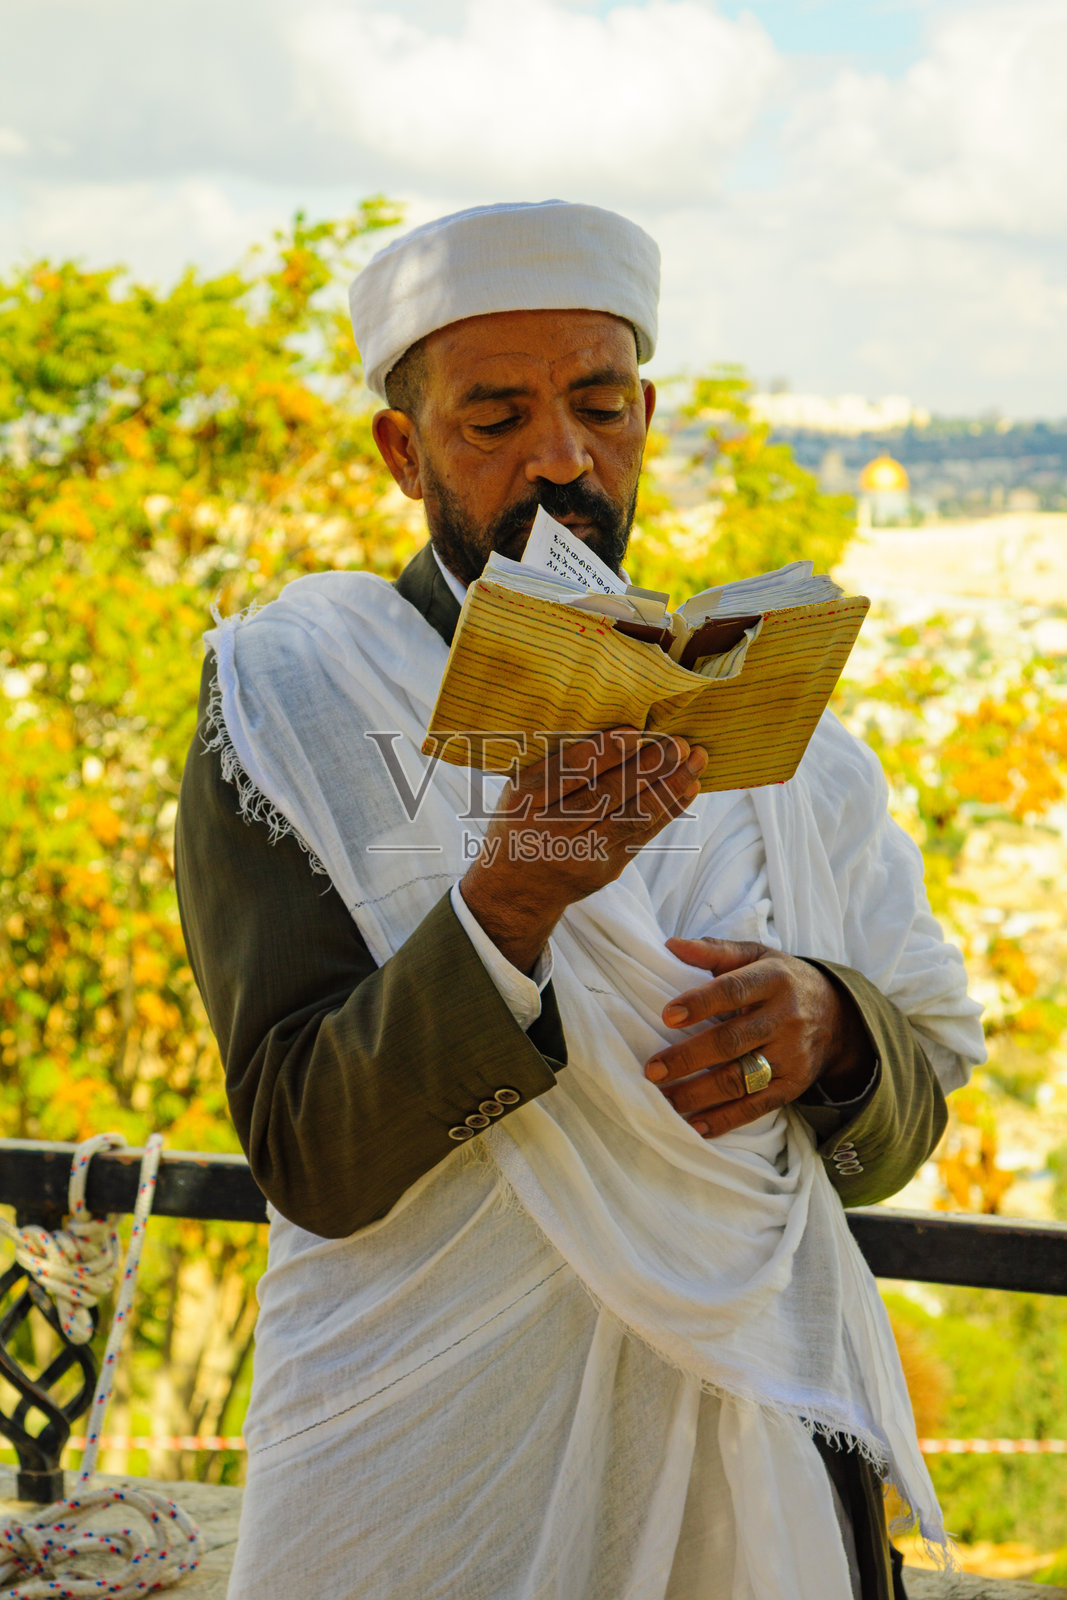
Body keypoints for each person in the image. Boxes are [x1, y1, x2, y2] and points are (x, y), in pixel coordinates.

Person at [175, 200, 985, 1600]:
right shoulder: (293, 704)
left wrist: (832, 1026)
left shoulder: (782, 732)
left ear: (646, 417)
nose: (563, 458)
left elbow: (903, 1115)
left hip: (760, 1479)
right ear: (401, 449)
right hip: (423, 1485)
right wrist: (503, 914)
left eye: (600, 407)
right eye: (494, 419)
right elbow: (310, 1147)